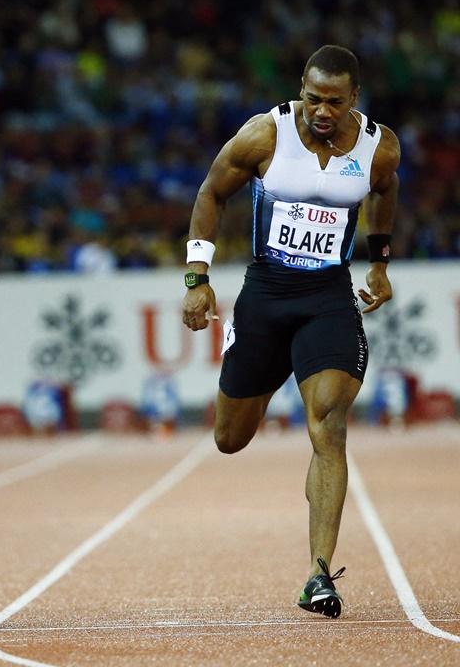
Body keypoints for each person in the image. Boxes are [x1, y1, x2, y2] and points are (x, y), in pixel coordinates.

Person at [182, 45, 399, 618]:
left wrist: (378, 262)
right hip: (266, 300)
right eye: (311, 96)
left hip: (327, 300)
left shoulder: (380, 146)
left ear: (354, 98)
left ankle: (318, 574)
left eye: (333, 101)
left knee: (328, 423)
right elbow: (211, 192)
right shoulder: (265, 135)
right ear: (300, 87)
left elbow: (385, 191)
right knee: (230, 439)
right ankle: (268, 377)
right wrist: (196, 277)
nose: (320, 111)